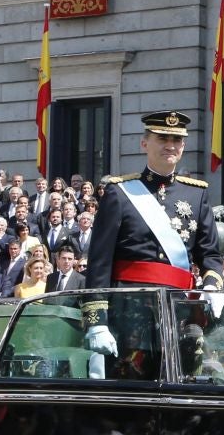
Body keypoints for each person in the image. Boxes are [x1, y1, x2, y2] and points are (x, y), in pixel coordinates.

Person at [83, 111, 212, 380]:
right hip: (129, 309)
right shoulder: (120, 193)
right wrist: (97, 322)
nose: (170, 145)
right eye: (162, 138)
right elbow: (100, 262)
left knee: (178, 387)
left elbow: (209, 253)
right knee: (129, 389)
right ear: (145, 144)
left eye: (177, 140)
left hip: (178, 311)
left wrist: (213, 283)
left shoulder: (197, 194)